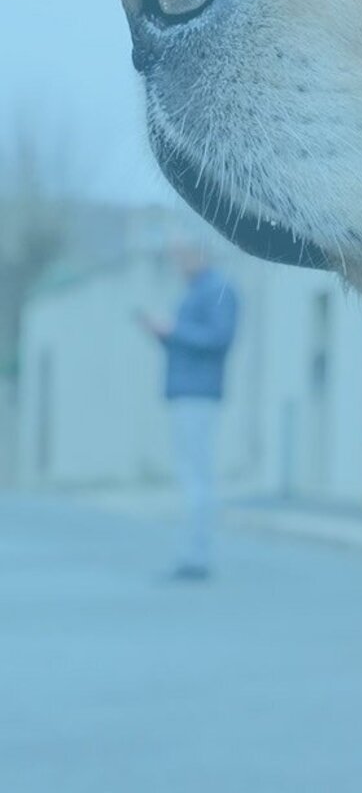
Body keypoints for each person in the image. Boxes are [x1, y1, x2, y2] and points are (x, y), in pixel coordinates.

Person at [136, 240, 238, 579]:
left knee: (197, 476)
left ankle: (198, 555)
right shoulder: (196, 290)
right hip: (186, 391)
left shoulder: (218, 289)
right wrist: (163, 334)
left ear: (200, 253)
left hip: (199, 393)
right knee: (190, 474)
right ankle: (193, 551)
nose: (178, 264)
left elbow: (219, 339)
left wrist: (174, 330)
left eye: (182, 256)